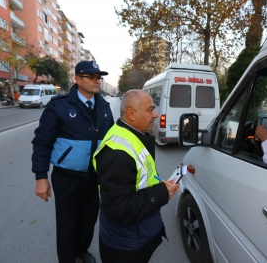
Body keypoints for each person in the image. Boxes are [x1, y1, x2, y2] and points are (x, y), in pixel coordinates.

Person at [32, 60, 114, 263]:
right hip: (66, 177)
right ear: (78, 79)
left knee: (88, 220)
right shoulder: (59, 106)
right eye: (92, 77)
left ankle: (81, 250)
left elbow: (111, 141)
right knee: (67, 224)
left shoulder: (104, 106)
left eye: (99, 77)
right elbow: (42, 143)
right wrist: (41, 177)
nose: (97, 81)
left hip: (93, 177)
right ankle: (67, 259)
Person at [93, 89, 180, 263]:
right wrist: (161, 193)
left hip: (135, 235)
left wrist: (158, 185)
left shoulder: (133, 134)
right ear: (131, 114)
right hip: (126, 245)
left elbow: (138, 176)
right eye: (150, 110)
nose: (155, 115)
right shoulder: (117, 152)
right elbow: (118, 208)